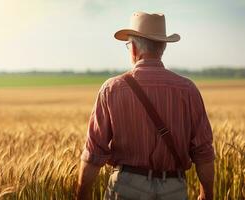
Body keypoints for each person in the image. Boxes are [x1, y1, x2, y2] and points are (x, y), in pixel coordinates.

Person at [76, 12, 215, 200]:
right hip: (173, 188)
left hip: (126, 187)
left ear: (133, 48)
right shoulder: (187, 89)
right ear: (163, 47)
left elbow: (94, 152)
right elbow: (203, 152)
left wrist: (82, 194)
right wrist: (206, 193)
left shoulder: (111, 89)